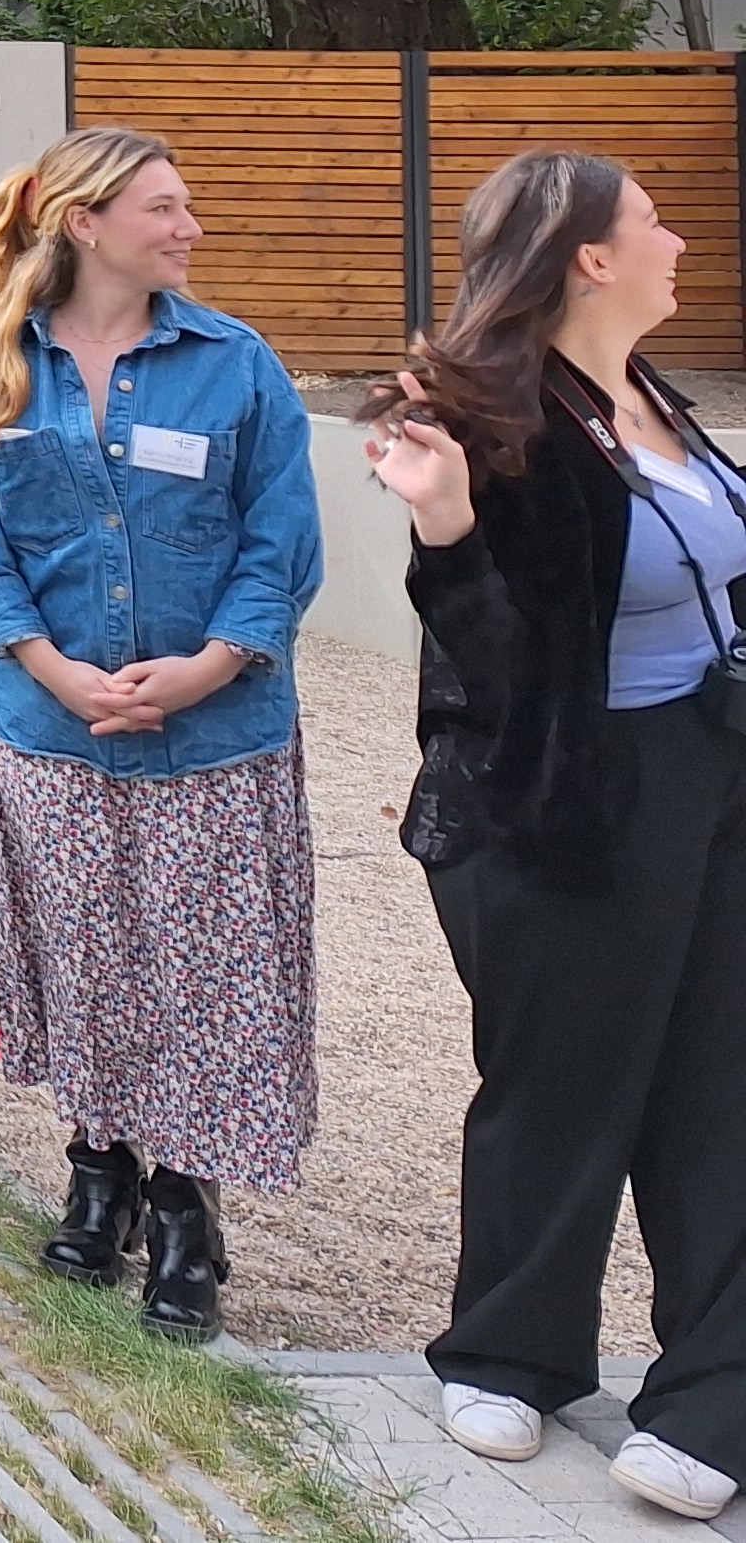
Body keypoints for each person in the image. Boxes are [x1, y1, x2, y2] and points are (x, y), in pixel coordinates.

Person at [365, 153, 746, 1518]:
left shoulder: (657, 399)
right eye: (654, 222)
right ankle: (509, 1357)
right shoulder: (486, 418)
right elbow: (490, 649)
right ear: (589, 256)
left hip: (713, 778)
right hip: (564, 801)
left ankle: (714, 1397)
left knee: (719, 1089)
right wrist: (445, 522)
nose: (678, 240)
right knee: (564, 1081)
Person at [0, 128, 319, 1344]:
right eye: (164, 208)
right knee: (88, 961)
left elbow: (283, 543)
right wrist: (50, 667)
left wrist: (208, 667)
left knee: (203, 975)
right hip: (53, 730)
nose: (189, 227)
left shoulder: (236, 365)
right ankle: (99, 1172)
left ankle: (187, 1213)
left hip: (217, 737)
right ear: (85, 223)